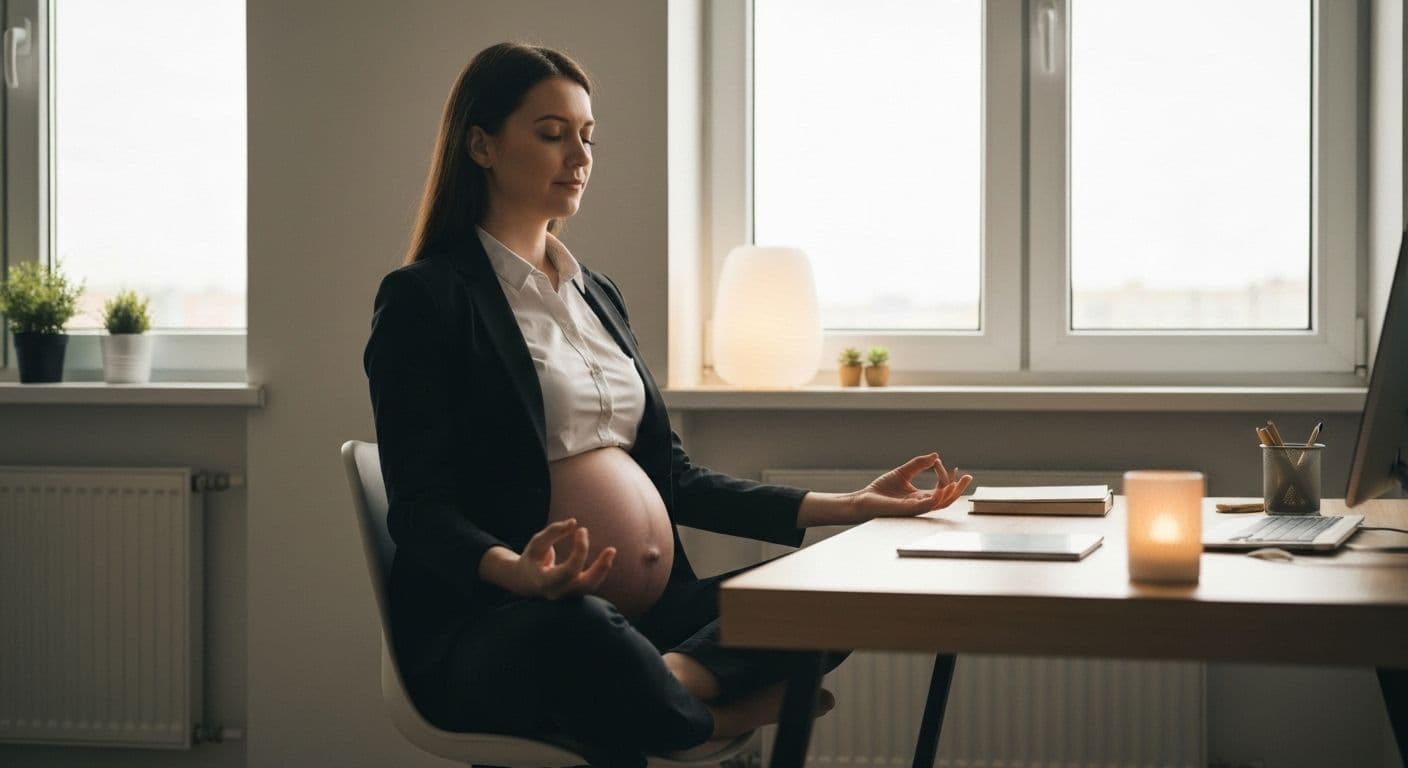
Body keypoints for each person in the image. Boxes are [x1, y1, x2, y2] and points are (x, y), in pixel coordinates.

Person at [363, 41, 973, 766]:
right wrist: (516, 571)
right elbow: (421, 511)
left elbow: (674, 479)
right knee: (578, 625)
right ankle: (706, 714)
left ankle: (666, 686)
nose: (579, 155)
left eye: (588, 136)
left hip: (649, 622)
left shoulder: (597, 295)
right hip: (506, 621)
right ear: (482, 145)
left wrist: (849, 505)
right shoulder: (427, 298)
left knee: (827, 588)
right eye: (552, 134)